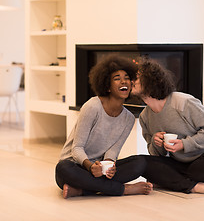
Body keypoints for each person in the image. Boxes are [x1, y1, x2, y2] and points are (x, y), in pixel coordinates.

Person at [55, 55, 153, 199]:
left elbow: (113, 151)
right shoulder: (92, 106)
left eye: (126, 77)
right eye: (117, 78)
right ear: (107, 86)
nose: (123, 81)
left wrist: (109, 167)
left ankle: (83, 190)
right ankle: (123, 189)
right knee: (63, 168)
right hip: (76, 167)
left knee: (140, 163)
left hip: (101, 170)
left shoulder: (128, 119)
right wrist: (90, 166)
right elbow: (77, 148)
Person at [131, 59, 204, 195]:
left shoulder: (183, 102)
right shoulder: (145, 117)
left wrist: (184, 144)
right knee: (144, 164)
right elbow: (156, 154)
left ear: (150, 80)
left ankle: (170, 181)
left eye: (136, 77)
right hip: (180, 164)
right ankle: (195, 186)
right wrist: (156, 142)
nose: (132, 81)